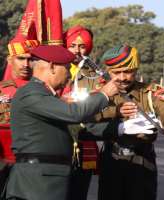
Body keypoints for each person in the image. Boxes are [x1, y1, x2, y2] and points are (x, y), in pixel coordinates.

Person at [5, 45, 119, 200]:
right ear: (52, 67)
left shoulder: (45, 96)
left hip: (46, 180)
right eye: (66, 68)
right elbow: (74, 114)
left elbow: (79, 130)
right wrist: (104, 94)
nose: (69, 76)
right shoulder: (31, 93)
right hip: (37, 184)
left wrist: (121, 128)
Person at [96, 44, 164, 200]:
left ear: (136, 70)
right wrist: (115, 112)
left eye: (128, 72)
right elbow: (88, 118)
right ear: (109, 71)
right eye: (117, 72)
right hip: (111, 161)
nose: (123, 77)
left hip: (143, 161)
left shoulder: (151, 92)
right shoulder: (100, 93)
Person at [63, 25, 101, 200]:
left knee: (78, 193)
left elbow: (101, 107)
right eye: (72, 45)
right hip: (57, 142)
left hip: (83, 141)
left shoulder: (95, 76)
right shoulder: (52, 69)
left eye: (82, 46)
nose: (76, 51)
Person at [0, 37, 39, 192]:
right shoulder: (1, 90)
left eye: (31, 59)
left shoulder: (46, 90)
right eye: (21, 58)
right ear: (10, 60)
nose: (26, 64)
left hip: (32, 162)